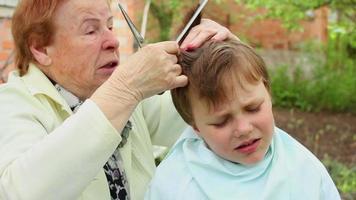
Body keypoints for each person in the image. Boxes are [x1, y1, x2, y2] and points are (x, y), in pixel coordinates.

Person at [0, 0, 238, 199]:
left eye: (110, 27)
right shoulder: (11, 103)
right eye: (91, 30)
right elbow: (22, 192)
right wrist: (126, 87)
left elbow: (205, 120)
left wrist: (228, 58)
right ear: (41, 49)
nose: (113, 41)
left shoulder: (122, 94)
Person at [145, 39, 341, 200]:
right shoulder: (174, 186)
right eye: (221, 121)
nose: (244, 129)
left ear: (268, 93)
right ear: (195, 126)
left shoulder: (304, 169)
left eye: (253, 108)